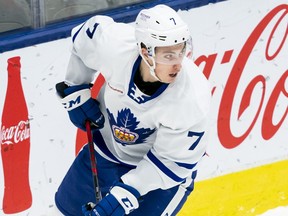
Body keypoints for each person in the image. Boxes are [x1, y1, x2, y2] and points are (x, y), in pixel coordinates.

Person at [55, 4, 211, 216]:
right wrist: (76, 87)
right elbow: (83, 39)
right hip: (106, 150)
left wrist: (127, 190)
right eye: (168, 56)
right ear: (145, 51)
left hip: (159, 178)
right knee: (65, 210)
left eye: (181, 51)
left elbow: (173, 163)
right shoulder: (116, 46)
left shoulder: (192, 97)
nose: (178, 64)